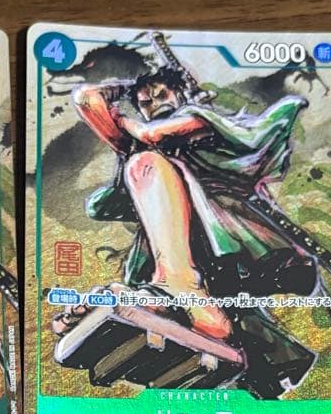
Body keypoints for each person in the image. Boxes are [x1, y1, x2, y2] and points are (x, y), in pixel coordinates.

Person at [67, 64, 317, 345]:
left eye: (162, 95)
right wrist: (127, 88)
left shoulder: (198, 118)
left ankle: (178, 287)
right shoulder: (144, 147)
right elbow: (86, 99)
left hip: (225, 226)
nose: (155, 105)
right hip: (179, 234)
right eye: (146, 103)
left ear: (179, 93)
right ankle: (193, 309)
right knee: (143, 162)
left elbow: (152, 135)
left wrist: (122, 120)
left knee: (144, 163)